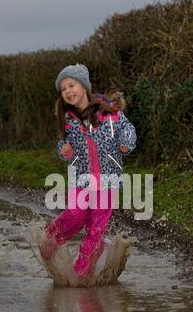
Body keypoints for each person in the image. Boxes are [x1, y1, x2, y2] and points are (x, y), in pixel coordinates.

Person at [40, 63, 136, 280]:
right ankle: (50, 239)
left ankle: (82, 273)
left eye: (71, 85)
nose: (68, 92)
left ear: (84, 87)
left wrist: (126, 143)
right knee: (75, 216)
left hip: (107, 181)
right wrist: (64, 150)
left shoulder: (109, 112)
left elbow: (128, 128)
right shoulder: (68, 120)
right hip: (81, 181)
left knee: (96, 228)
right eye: (63, 90)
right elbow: (63, 143)